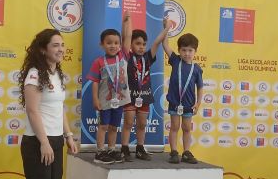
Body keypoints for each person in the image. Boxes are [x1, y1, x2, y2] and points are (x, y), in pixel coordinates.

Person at [11, 29, 78, 179]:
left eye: (62, 45)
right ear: (43, 49)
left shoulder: (56, 73)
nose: (61, 49)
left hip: (55, 141)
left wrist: (68, 136)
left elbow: (59, 109)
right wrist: (44, 142)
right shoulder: (34, 74)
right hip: (38, 143)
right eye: (55, 45)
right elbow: (32, 110)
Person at [120, 19, 170, 161]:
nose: (141, 47)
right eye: (138, 43)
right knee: (128, 122)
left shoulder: (148, 57)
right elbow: (126, 37)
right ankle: (124, 148)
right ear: (131, 44)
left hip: (145, 96)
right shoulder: (126, 56)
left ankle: (140, 148)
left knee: (142, 124)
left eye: (143, 44)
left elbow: (157, 42)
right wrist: (127, 22)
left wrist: (167, 28)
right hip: (129, 96)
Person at [87, 12, 132, 164]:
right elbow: (94, 81)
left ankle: (111, 149)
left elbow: (128, 37)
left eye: (116, 43)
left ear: (120, 45)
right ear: (102, 44)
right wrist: (95, 99)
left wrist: (126, 22)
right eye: (109, 43)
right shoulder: (98, 62)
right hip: (105, 101)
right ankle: (100, 152)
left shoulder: (123, 55)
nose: (113, 45)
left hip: (119, 100)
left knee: (114, 126)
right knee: (103, 125)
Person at [163, 32, 203, 164]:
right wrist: (166, 29)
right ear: (179, 50)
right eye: (184, 50)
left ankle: (186, 152)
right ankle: (174, 152)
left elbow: (200, 87)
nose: (187, 53)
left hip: (188, 104)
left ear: (195, 51)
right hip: (175, 102)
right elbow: (165, 45)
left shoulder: (196, 69)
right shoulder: (175, 61)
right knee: (174, 126)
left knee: (186, 128)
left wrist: (198, 103)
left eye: (190, 50)